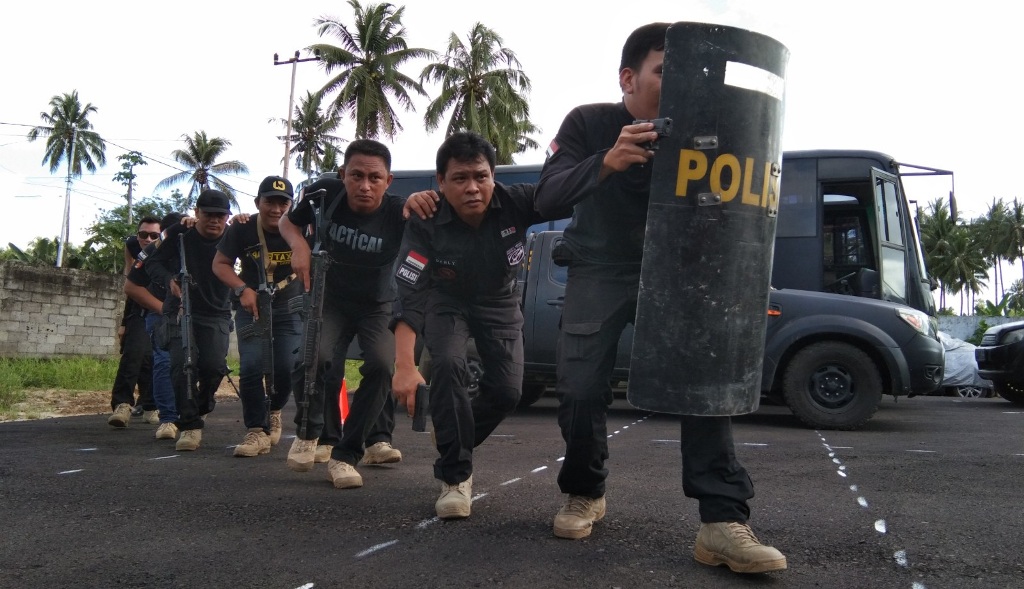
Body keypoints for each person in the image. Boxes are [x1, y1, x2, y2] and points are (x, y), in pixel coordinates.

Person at [533, 22, 787, 573]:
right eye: (665, 72)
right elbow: (546, 194)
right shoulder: (589, 122)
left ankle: (721, 522)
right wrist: (606, 160)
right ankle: (585, 490)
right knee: (577, 389)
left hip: (682, 271)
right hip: (599, 268)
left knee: (705, 388)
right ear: (629, 77)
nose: (679, 85)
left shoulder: (713, 129)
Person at [391, 131, 556, 520]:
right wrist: (404, 365)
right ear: (442, 181)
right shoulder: (425, 218)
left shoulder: (517, 201)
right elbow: (409, 290)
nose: (472, 188)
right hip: (447, 301)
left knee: (508, 392)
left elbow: (564, 189)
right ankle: (455, 477)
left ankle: (453, 433)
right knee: (448, 365)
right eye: (460, 178)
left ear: (494, 176)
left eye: (480, 176)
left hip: (499, 303)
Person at [279, 139, 416, 487]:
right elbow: (288, 223)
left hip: (377, 304)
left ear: (389, 181)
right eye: (356, 175)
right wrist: (299, 245)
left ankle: (346, 454)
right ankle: (311, 433)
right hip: (330, 298)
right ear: (342, 174)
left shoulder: (399, 213)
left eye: (375, 177)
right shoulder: (325, 193)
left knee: (382, 366)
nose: (364, 186)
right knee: (315, 358)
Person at [212, 176, 303, 457]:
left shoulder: (301, 227)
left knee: (286, 366)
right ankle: (255, 431)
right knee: (251, 366)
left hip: (290, 307)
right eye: (269, 202)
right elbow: (220, 264)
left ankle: (274, 410)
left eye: (282, 203)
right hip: (251, 306)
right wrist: (241, 289)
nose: (276, 209)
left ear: (291, 205)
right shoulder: (242, 228)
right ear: (257, 203)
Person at [145, 190, 232, 452]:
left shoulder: (233, 235)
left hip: (216, 312)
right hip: (180, 310)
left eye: (221, 216)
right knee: (182, 365)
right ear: (196, 213)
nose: (214, 221)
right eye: (208, 215)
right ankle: (190, 426)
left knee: (214, 367)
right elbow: (151, 262)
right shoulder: (179, 234)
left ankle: (202, 407)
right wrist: (169, 279)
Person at [124, 211, 185, 440]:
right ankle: (168, 418)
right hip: (161, 314)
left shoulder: (195, 246)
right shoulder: (149, 253)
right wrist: (163, 308)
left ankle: (191, 411)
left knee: (198, 363)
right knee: (163, 360)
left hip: (196, 315)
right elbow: (131, 287)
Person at [107, 216, 161, 428]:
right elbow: (131, 285)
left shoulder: (170, 249)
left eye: (154, 235)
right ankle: (122, 404)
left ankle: (150, 405)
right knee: (133, 352)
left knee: (155, 359)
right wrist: (124, 322)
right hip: (139, 307)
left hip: (164, 305)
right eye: (143, 234)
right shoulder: (131, 246)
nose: (147, 239)